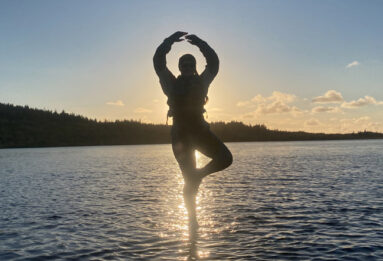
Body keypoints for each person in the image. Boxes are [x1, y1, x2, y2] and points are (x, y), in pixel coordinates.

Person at [153, 31, 233, 229]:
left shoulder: (203, 81)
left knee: (226, 159)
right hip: (181, 137)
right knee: (189, 182)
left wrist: (200, 43)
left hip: (200, 132)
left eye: (190, 65)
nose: (187, 68)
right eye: (184, 65)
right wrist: (169, 40)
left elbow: (213, 63)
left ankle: (199, 175)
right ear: (179, 68)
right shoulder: (170, 83)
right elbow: (158, 61)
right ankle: (192, 222)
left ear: (195, 68)